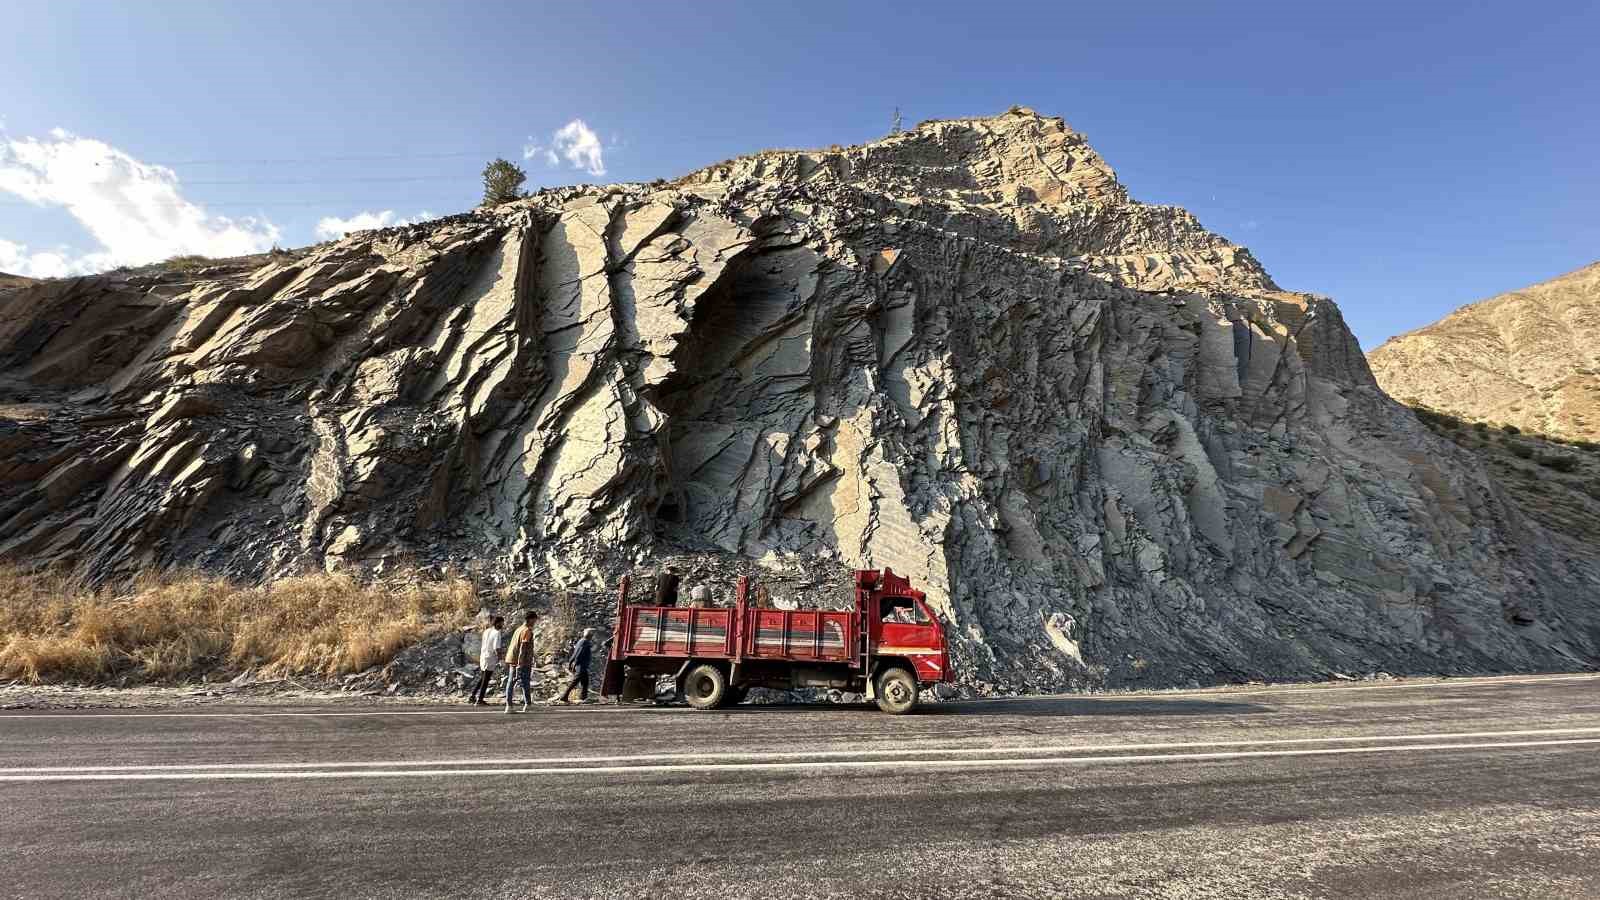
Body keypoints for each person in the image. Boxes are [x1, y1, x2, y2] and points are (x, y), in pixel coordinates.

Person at [503, 611, 538, 713]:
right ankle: (525, 705)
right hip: (521, 661)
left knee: (512, 681)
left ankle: (513, 705)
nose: (535, 622)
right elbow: (523, 647)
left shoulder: (519, 629)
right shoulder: (527, 631)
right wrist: (520, 663)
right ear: (531, 619)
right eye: (535, 620)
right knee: (524, 682)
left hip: (513, 658)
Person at [553, 627, 595, 704]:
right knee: (575, 682)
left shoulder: (580, 641)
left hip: (581, 665)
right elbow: (579, 653)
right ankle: (564, 696)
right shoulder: (585, 642)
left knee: (585, 682)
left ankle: (583, 697)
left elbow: (575, 653)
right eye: (592, 635)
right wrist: (574, 663)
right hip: (581, 665)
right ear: (589, 635)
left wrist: (571, 662)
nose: (592, 636)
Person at [469, 615, 504, 706]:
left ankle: (472, 696)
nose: (502, 624)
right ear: (498, 623)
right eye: (502, 623)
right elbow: (497, 648)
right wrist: (501, 660)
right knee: (485, 679)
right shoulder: (497, 633)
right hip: (490, 658)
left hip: (483, 657)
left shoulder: (487, 631)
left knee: (483, 678)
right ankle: (480, 700)